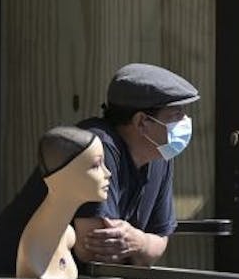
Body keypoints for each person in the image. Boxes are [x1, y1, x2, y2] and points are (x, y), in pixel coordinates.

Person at [72, 62, 199, 266]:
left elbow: (159, 242)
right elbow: (95, 251)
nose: (185, 121)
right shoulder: (96, 148)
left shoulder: (160, 155)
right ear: (141, 122)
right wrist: (141, 246)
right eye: (176, 115)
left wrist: (139, 242)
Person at [0, 126, 111, 278]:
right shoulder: (34, 253)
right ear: (64, 174)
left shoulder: (68, 236)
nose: (107, 173)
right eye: (96, 165)